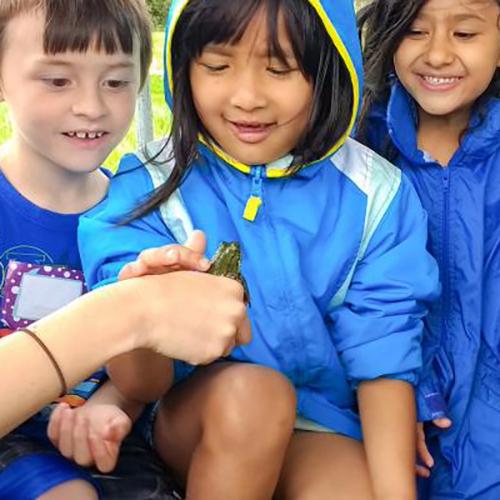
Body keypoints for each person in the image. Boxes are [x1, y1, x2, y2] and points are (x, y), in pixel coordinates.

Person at [78, 0, 440, 498]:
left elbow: (383, 352)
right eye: (218, 66)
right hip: (192, 417)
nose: (247, 97)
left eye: (279, 69)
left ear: (328, 71)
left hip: (316, 422)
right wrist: (140, 304)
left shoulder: (375, 193)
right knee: (256, 397)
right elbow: (142, 385)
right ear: (184, 67)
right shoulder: (150, 187)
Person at [0, 1, 204, 498]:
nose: (91, 106)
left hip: (110, 437)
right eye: (57, 80)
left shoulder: (143, 213)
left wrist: (113, 403)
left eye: (115, 82)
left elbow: (150, 375)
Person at [358, 0, 500, 498]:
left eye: (464, 35)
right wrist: (403, 398)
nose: (438, 54)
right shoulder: (360, 155)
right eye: (415, 32)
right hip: (390, 437)